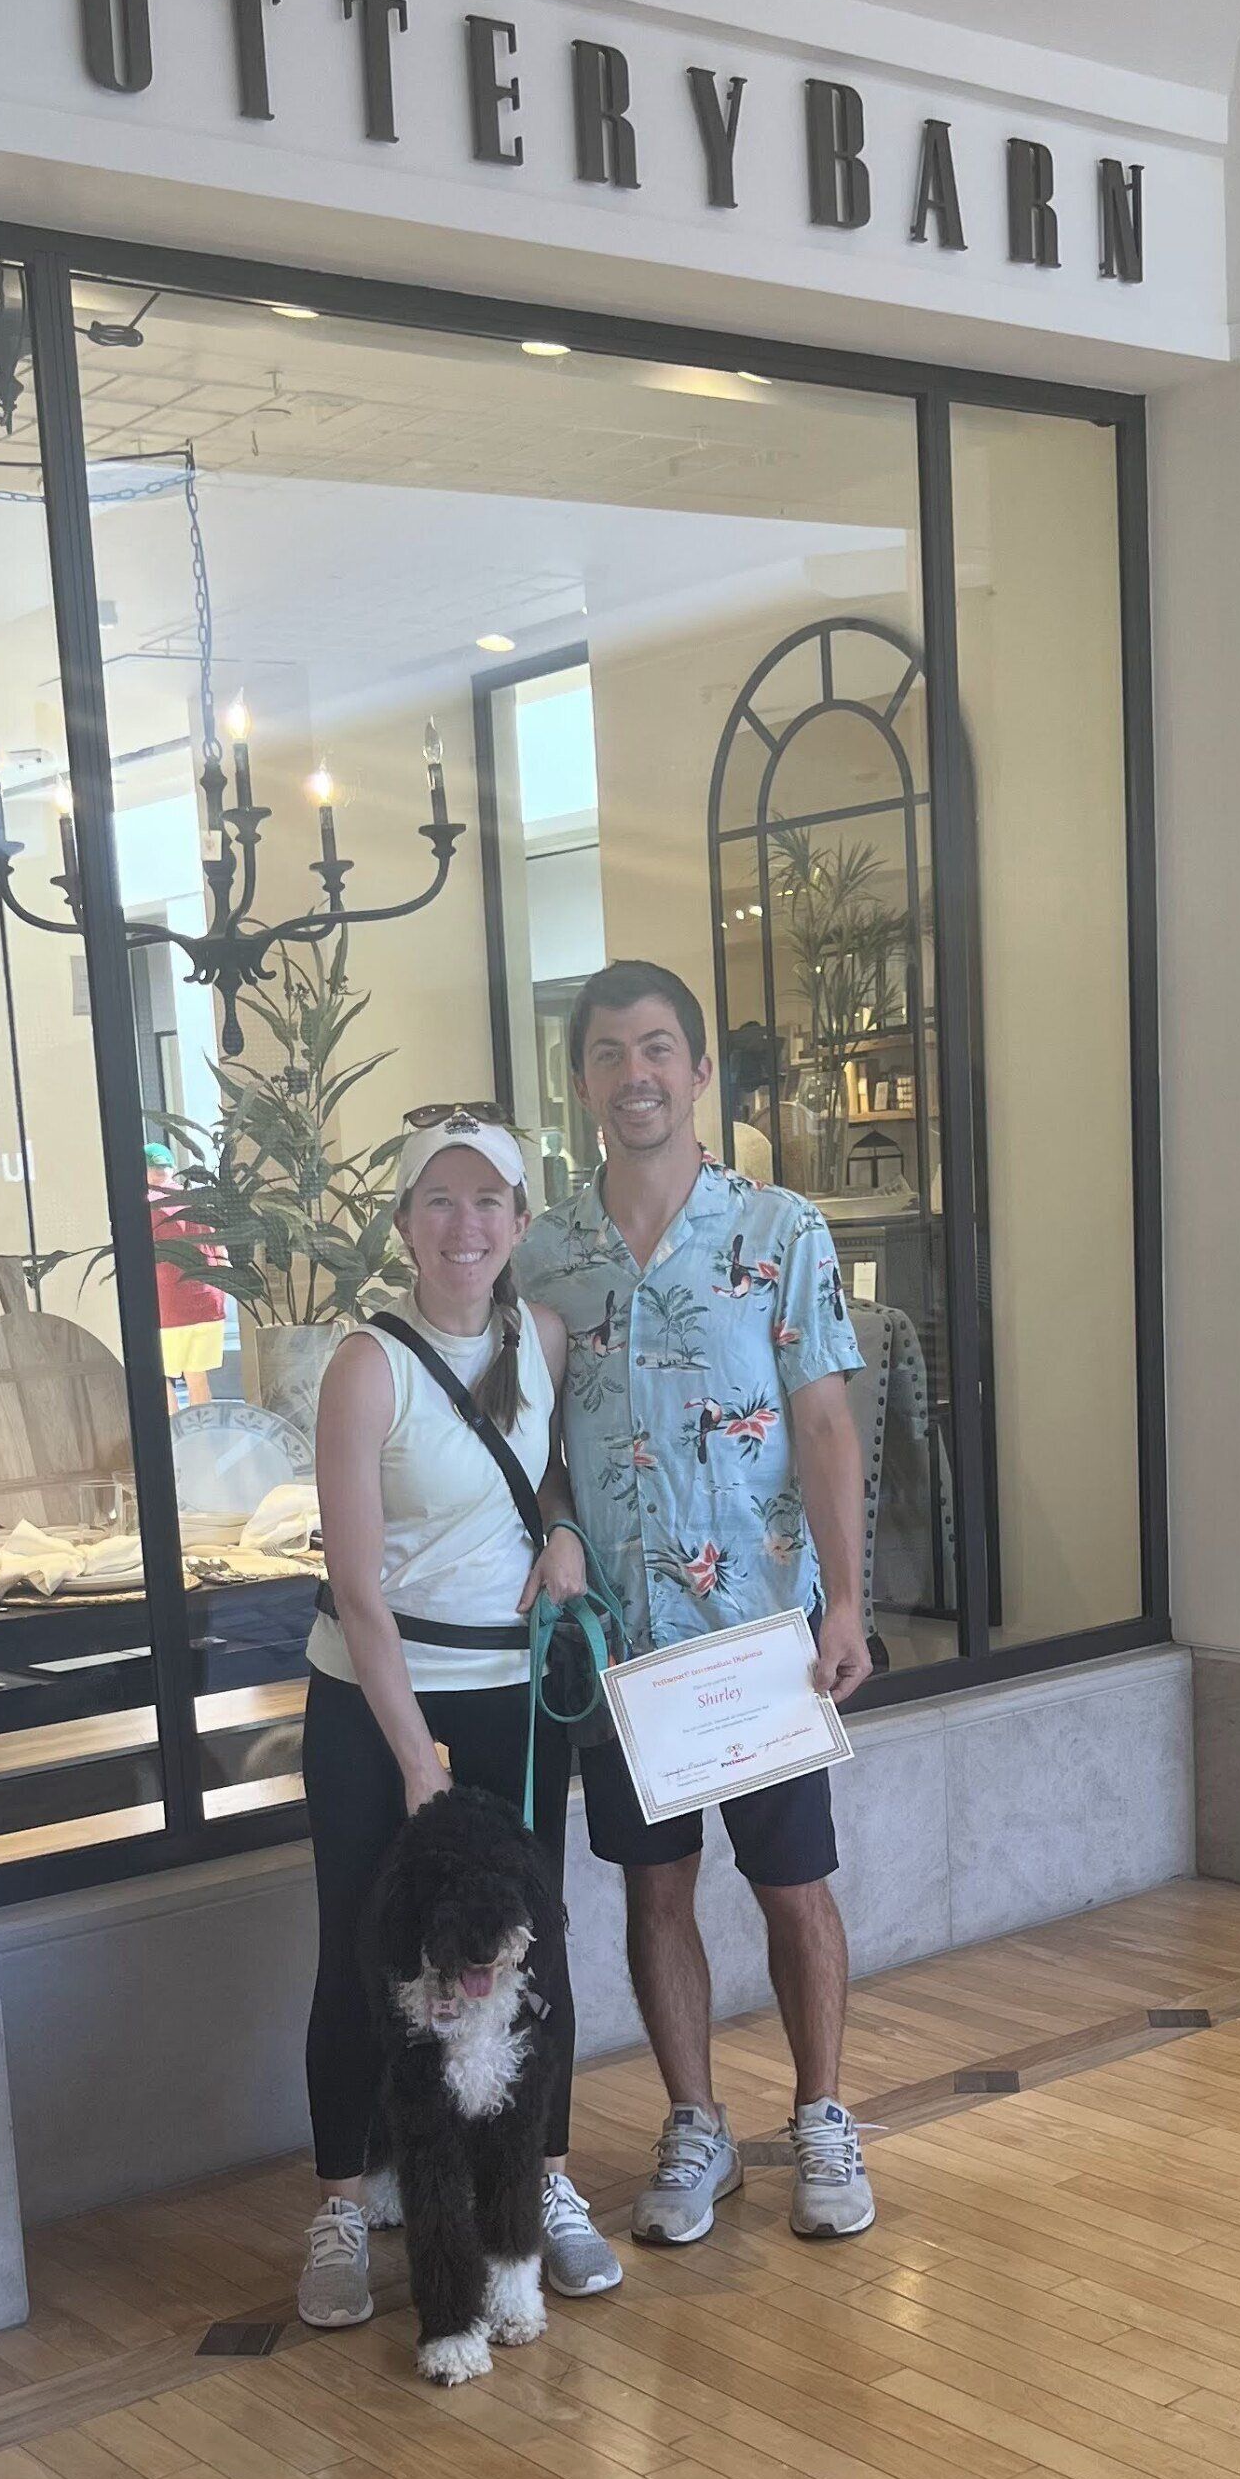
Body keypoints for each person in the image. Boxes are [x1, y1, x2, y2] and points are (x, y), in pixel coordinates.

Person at [515, 959, 879, 2248]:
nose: (636, 1076)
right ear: (581, 1084)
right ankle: (696, 2124)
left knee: (794, 1885)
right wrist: (558, 1524)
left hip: (761, 1637)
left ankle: (824, 2115)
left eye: (659, 1049)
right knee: (653, 1891)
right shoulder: (546, 1255)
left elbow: (825, 1421)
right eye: (609, 1054)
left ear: (700, 1067)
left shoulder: (780, 1235)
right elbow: (536, 1440)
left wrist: (846, 1602)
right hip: (622, 1646)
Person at [296, 1105, 624, 2328]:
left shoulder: (539, 1335)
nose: (465, 1225)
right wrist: (413, 1761)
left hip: (513, 1695)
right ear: (403, 1223)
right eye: (439, 1201)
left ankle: (538, 2186)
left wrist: (564, 1534)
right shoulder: (364, 1366)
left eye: (488, 1202)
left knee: (533, 1945)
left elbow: (538, 1474)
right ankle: (343, 2199)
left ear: (521, 1222)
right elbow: (359, 1591)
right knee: (364, 1949)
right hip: (379, 1696)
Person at [145, 1145, 227, 1409]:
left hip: (167, 1302)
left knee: (160, 1378)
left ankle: (174, 1440)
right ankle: (201, 1437)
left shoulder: (146, 1206)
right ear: (169, 1169)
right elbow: (220, 1247)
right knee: (198, 1378)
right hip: (207, 1301)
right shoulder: (197, 1200)